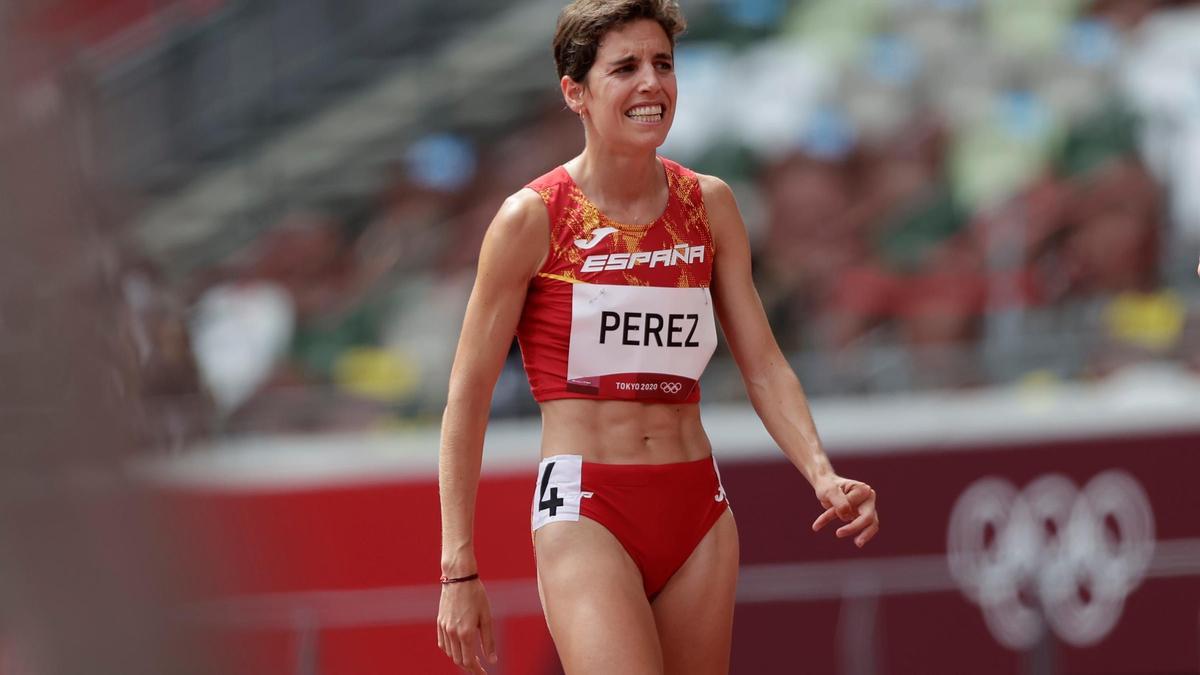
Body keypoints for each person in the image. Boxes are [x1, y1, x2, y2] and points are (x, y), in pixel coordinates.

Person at [436, 2, 880, 673]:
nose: (652, 82)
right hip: (587, 506)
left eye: (663, 64)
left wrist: (821, 471)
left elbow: (762, 363)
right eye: (626, 68)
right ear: (575, 93)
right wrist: (458, 566)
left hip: (697, 506)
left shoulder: (710, 204)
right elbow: (466, 398)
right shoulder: (531, 219)